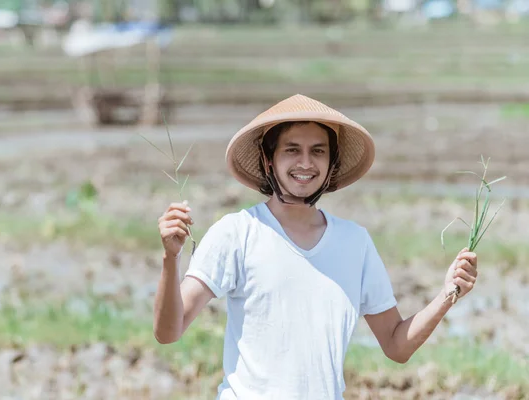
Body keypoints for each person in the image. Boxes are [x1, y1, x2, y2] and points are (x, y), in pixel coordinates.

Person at [153, 94, 478, 399]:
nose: (305, 163)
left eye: (318, 151)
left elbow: (396, 345)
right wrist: (171, 258)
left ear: (332, 162)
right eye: (292, 150)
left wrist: (447, 293)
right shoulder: (237, 232)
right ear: (269, 159)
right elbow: (169, 331)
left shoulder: (355, 243)